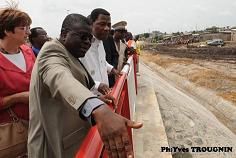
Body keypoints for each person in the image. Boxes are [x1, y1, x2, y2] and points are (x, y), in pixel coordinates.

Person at [28, 13, 142, 158]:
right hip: (53, 147)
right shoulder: (51, 53)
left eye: (89, 38)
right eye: (82, 37)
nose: (87, 42)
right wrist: (97, 108)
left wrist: (95, 98)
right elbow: (61, 79)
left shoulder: (71, 53)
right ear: (64, 34)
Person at [0, 7, 35, 157]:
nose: (29, 32)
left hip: (37, 123)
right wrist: (18, 97)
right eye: (23, 28)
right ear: (7, 31)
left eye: (29, 27)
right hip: (12, 131)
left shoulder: (27, 51)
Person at [80, 8, 119, 95]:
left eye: (109, 25)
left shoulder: (100, 41)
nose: (106, 28)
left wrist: (112, 69)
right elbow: (77, 75)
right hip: (91, 100)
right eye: (102, 24)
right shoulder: (81, 45)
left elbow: (102, 61)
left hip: (105, 96)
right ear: (91, 23)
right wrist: (97, 85)